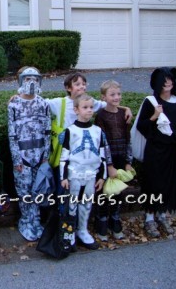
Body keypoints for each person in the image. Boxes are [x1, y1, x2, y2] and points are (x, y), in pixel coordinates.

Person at [137, 67, 176, 238]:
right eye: (165, 80)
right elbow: (141, 126)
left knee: (168, 183)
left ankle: (162, 214)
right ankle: (149, 217)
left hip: (171, 151)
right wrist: (154, 117)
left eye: (171, 80)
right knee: (153, 182)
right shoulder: (150, 102)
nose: (168, 83)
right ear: (158, 83)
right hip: (154, 149)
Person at [8, 67, 51, 241]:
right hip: (22, 156)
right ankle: (26, 220)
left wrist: (46, 156)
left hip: (39, 155)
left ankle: (37, 220)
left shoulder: (43, 103)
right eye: (27, 79)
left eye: (35, 78)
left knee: (38, 189)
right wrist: (17, 158)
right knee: (24, 190)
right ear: (21, 81)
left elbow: (47, 130)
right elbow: (12, 133)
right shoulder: (14, 105)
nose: (31, 82)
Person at [60, 93, 107, 250]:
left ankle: (83, 230)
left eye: (91, 107)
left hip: (91, 174)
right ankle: (70, 232)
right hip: (74, 173)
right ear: (76, 110)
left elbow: (103, 155)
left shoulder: (98, 131)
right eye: (85, 107)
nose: (89, 110)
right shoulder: (70, 131)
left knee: (86, 203)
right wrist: (64, 176)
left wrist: (102, 176)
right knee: (72, 203)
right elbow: (64, 155)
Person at [94, 80, 133, 241]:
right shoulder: (101, 116)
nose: (116, 97)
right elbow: (102, 142)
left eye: (118, 94)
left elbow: (127, 138)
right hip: (105, 161)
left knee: (117, 191)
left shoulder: (124, 114)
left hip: (121, 158)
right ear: (103, 97)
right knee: (104, 191)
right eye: (112, 94)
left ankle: (114, 218)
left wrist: (128, 161)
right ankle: (101, 220)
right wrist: (108, 165)